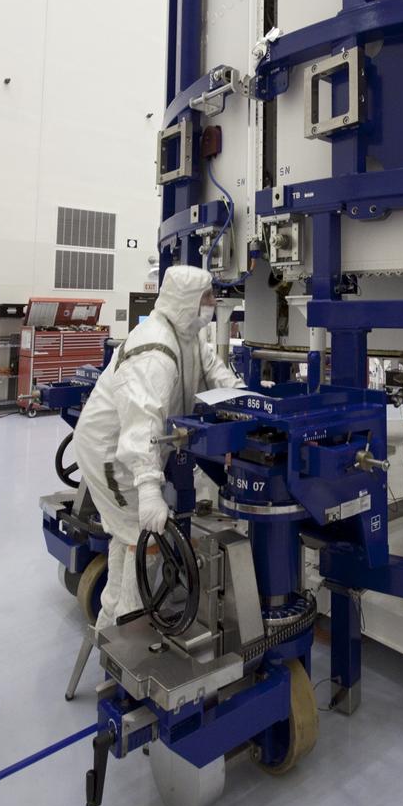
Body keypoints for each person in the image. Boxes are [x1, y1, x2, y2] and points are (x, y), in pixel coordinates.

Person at [72, 264, 242, 633]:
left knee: (129, 535)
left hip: (131, 447)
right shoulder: (156, 350)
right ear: (187, 300)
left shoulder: (187, 334)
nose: (213, 303)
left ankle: (110, 620)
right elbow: (141, 422)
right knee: (144, 537)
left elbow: (215, 372)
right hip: (110, 454)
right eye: (207, 297)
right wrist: (149, 489)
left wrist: (247, 401)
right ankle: (128, 630)